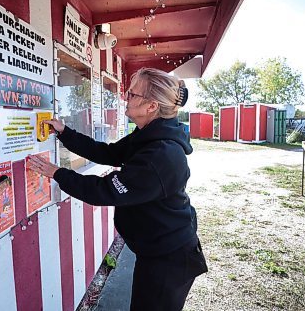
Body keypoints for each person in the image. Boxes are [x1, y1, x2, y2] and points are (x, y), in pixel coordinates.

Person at [28, 67, 207, 311]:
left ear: (151, 106)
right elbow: (108, 153)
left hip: (170, 258)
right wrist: (64, 133)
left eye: (133, 94)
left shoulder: (162, 155)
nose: (125, 97)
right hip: (156, 249)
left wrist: (56, 173)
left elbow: (104, 190)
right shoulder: (147, 136)